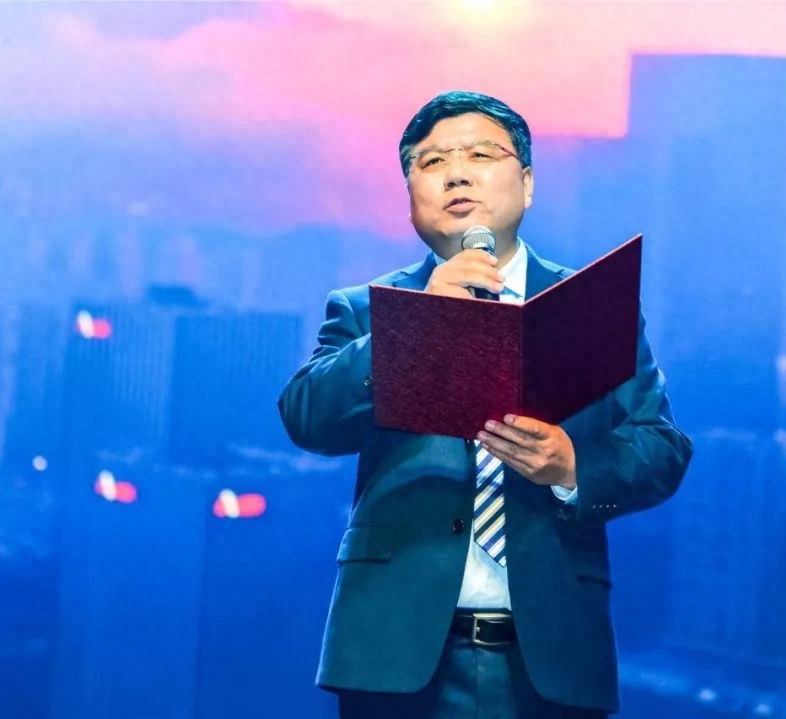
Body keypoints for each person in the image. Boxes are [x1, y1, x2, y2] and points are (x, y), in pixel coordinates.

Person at [278, 91, 693, 718]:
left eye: (479, 155)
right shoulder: (367, 310)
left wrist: (573, 469)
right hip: (394, 653)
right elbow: (307, 419)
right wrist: (418, 326)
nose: (456, 173)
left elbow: (662, 451)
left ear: (526, 184)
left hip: (553, 657)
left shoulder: (592, 308)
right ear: (411, 195)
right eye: (432, 161)